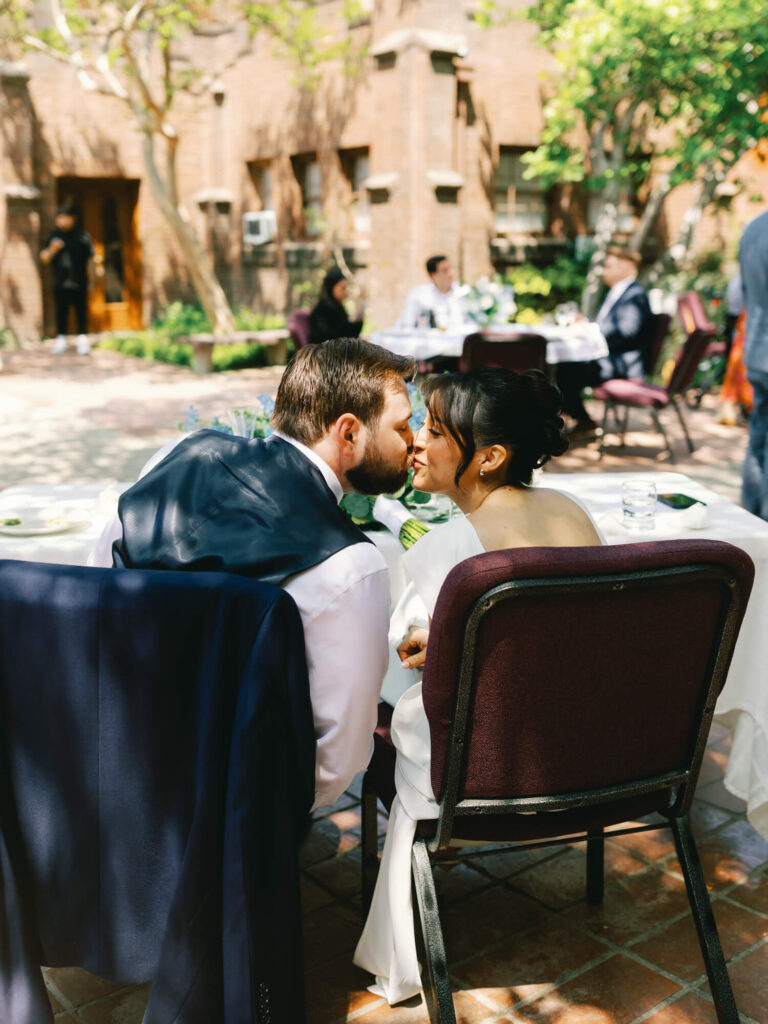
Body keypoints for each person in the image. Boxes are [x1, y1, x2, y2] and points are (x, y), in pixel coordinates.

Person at [353, 368, 603, 1004]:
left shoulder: (448, 544)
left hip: (481, 773)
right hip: (593, 760)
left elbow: (392, 662)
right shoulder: (574, 511)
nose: (416, 443)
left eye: (435, 431)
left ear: (489, 457)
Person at [91, 338, 417, 810]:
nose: (413, 439)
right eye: (402, 425)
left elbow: (100, 587)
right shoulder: (350, 565)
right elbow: (338, 756)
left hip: (106, 758)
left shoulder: (180, 452)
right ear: (349, 433)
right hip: (234, 808)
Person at [556, 246, 653, 437]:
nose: (603, 271)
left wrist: (590, 329)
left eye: (609, 266)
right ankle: (579, 420)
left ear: (626, 267)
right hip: (611, 358)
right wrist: (587, 325)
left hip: (624, 363)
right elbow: (608, 327)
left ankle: (583, 421)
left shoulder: (635, 294)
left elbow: (627, 330)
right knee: (562, 368)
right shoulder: (618, 292)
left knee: (564, 372)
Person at [739, 210, 768, 520]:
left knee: (760, 432)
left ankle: (751, 514)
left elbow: (744, 294)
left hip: (757, 348)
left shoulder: (754, 227)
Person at [40, 205, 95, 355]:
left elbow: (90, 260)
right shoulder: (53, 236)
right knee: (61, 311)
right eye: (59, 218)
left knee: (81, 311)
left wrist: (93, 281)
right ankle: (60, 340)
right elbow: (44, 258)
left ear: (72, 219)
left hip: (80, 280)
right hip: (60, 280)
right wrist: (52, 249)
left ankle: (83, 340)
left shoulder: (82, 236)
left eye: (65, 217)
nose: (62, 221)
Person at [400, 254, 464, 330]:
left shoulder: (463, 292)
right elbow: (408, 324)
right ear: (433, 275)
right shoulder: (419, 295)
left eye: (451, 268)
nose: (451, 274)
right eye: (445, 271)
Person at [308, 267, 364, 345]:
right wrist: (355, 323)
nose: (346, 292)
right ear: (331, 287)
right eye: (343, 288)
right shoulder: (323, 310)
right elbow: (336, 339)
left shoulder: (336, 306)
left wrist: (357, 322)